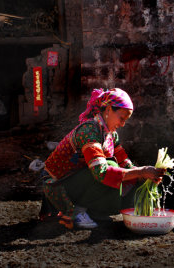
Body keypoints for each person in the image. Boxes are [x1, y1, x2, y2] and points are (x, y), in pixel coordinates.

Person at [40, 88, 165, 229]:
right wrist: (141, 172)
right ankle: (78, 210)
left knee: (129, 179)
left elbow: (125, 164)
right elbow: (101, 172)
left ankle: (92, 210)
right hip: (58, 183)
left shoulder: (110, 134)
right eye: (121, 118)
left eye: (126, 120)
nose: (123, 124)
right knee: (111, 165)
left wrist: (145, 175)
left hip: (80, 179)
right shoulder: (89, 131)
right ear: (108, 110)